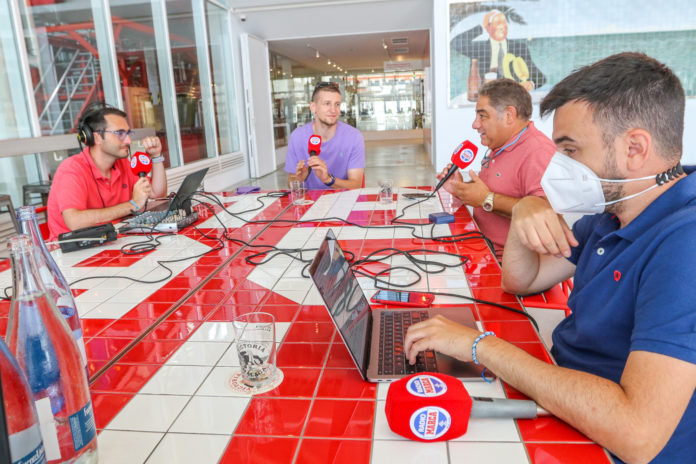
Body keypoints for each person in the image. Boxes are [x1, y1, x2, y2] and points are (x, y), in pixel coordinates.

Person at [405, 53, 696, 464]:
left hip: (604, 442)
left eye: (571, 150)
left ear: (635, 148)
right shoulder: (610, 215)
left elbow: (637, 435)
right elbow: (523, 280)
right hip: (562, 389)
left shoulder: (685, 243)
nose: (558, 169)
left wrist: (479, 346)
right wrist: (525, 208)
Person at [436, 79, 554, 259]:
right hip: (482, 250)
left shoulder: (538, 152)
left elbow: (543, 214)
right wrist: (461, 189)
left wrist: (486, 199)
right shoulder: (500, 145)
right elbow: (493, 192)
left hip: (510, 265)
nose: (475, 124)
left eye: (482, 116)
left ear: (509, 115)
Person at [47, 104, 167, 240]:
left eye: (128, 134)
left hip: (111, 240)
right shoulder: (71, 170)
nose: (128, 140)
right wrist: (132, 205)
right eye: (120, 134)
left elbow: (158, 194)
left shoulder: (123, 164)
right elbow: (75, 222)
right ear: (97, 138)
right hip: (71, 252)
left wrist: (156, 156)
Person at [285, 82, 365, 190]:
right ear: (313, 107)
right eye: (327, 103)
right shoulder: (297, 137)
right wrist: (298, 180)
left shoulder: (354, 137)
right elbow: (291, 182)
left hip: (343, 199)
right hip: (310, 202)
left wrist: (328, 179)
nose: (333, 110)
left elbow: (356, 185)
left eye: (337, 104)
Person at [451, 9, 546, 91]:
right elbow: (456, 43)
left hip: (513, 97)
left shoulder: (519, 48)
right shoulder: (480, 49)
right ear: (488, 27)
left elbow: (540, 78)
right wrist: (481, 28)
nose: (502, 26)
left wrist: (531, 84)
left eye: (504, 22)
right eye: (497, 23)